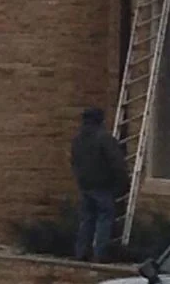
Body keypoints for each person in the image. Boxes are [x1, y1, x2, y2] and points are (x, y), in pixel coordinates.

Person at [71, 107, 129, 263]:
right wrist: (123, 183)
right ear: (101, 120)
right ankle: (100, 253)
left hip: (85, 186)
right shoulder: (104, 139)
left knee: (87, 220)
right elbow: (117, 162)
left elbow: (74, 162)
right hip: (103, 186)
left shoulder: (78, 140)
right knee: (104, 219)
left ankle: (81, 252)